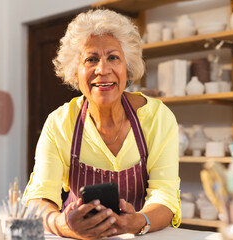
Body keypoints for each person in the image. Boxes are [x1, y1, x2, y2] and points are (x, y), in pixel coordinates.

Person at [23, 9, 181, 239]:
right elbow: (39, 198)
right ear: (75, 72)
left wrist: (136, 221)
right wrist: (64, 225)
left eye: (113, 57)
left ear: (127, 67)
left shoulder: (158, 118)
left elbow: (165, 197)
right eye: (91, 59)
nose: (103, 70)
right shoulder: (59, 123)